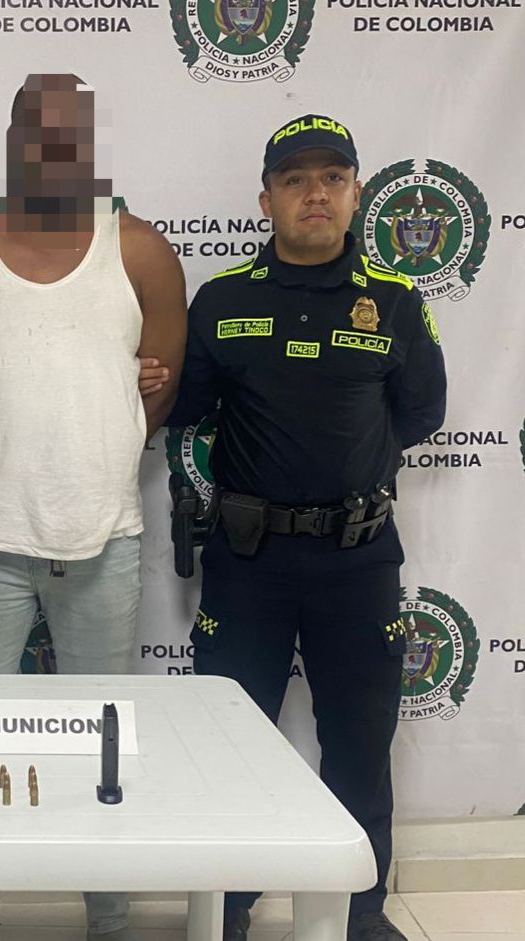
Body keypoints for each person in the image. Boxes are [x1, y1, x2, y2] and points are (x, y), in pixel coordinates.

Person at [0, 73, 187, 941]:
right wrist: (6, 465)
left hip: (105, 543)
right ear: (12, 142)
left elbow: (157, 393)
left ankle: (110, 920)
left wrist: (85, 458)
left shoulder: (139, 251)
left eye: (72, 133)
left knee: (103, 750)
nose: (54, 147)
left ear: (90, 145)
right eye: (38, 130)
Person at [169, 115, 446, 941]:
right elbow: (187, 407)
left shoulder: (394, 301)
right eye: (295, 180)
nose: (314, 193)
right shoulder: (222, 300)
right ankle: (226, 911)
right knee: (231, 743)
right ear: (267, 201)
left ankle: (360, 914)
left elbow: (421, 413)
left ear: (357, 193)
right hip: (247, 560)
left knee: (359, 743)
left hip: (358, 561)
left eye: (332, 177)